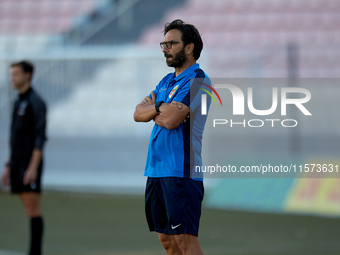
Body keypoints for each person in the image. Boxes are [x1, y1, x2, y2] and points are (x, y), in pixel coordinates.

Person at [134, 19, 211, 255]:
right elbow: (137, 113)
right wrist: (161, 106)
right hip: (157, 170)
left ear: (189, 47)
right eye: (163, 44)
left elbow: (170, 121)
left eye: (171, 43)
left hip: (181, 171)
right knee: (168, 241)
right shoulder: (166, 81)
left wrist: (156, 111)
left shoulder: (198, 80)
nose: (165, 49)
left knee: (185, 241)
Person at [1, 60, 47, 255]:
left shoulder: (36, 102)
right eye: (11, 74)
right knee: (27, 207)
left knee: (32, 208)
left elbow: (40, 138)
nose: (12, 78)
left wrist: (32, 168)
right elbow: (15, 137)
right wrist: (9, 165)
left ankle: (35, 252)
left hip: (29, 163)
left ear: (27, 75)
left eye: (15, 74)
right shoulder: (18, 101)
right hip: (18, 163)